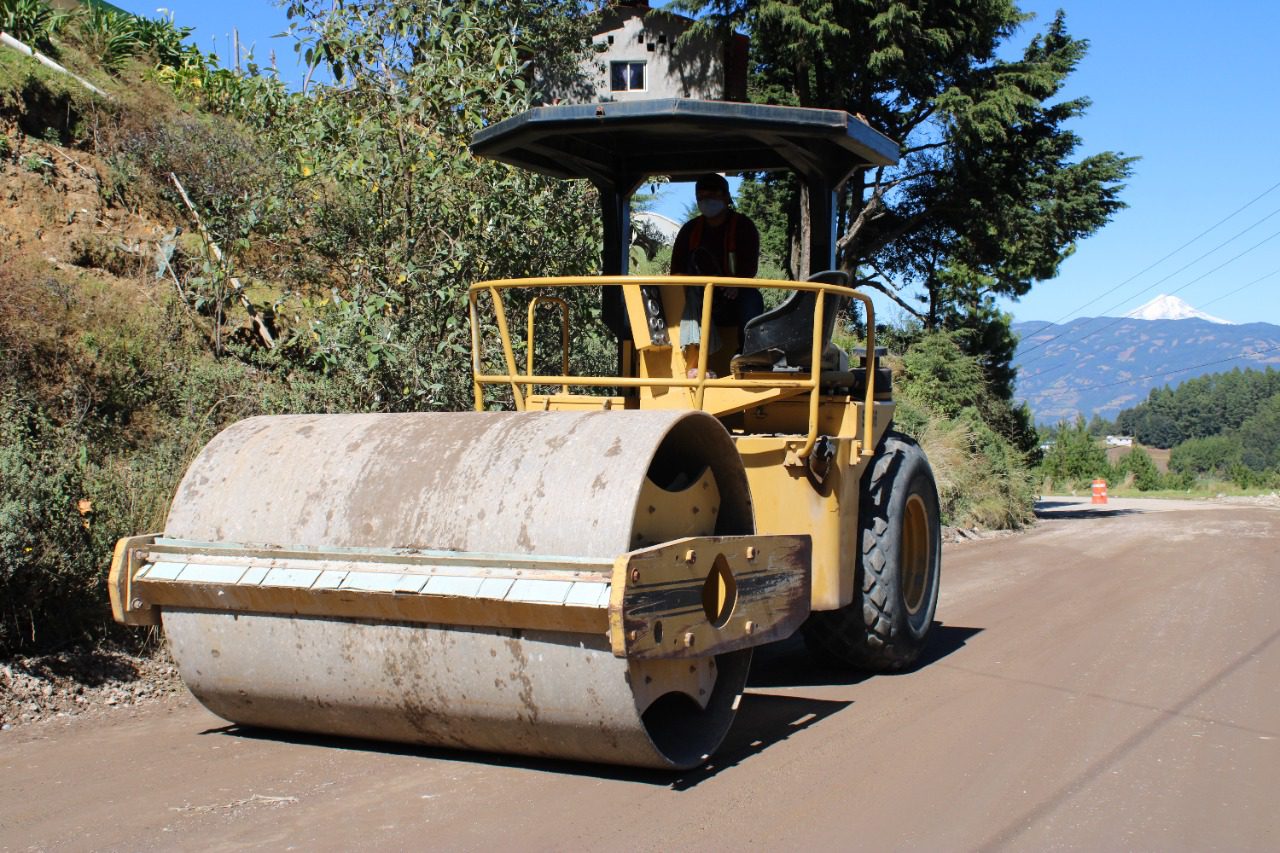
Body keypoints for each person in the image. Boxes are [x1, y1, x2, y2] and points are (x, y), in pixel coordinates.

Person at [669, 173, 764, 374]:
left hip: (733, 298)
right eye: (701, 196)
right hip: (699, 298)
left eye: (712, 195)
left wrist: (736, 284)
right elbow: (676, 272)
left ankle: (748, 357)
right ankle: (693, 365)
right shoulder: (689, 230)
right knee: (687, 301)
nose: (706, 200)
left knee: (752, 298)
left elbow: (749, 267)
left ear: (726, 197)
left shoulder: (743, 226)